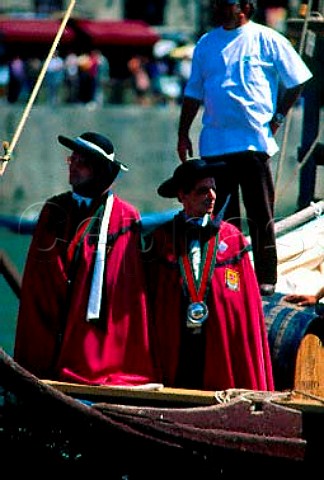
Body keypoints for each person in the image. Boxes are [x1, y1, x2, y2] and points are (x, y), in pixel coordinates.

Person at [177, 0, 313, 297]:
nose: (218, 6)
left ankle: (266, 281)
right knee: (219, 217)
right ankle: (222, 277)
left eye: (225, 2)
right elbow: (193, 92)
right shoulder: (206, 43)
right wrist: (182, 132)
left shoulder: (267, 38)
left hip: (253, 143)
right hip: (214, 145)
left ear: (243, 7)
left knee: (260, 215)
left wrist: (277, 117)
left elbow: (297, 79)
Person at [14, 132, 155, 386]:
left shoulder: (124, 217)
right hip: (48, 331)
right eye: (72, 160)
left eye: (82, 162)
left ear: (100, 170)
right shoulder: (53, 209)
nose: (73, 167)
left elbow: (121, 289)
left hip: (94, 347)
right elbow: (39, 276)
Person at [144, 158, 274, 391]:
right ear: (182, 196)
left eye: (214, 189)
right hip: (175, 340)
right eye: (202, 190)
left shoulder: (232, 239)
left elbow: (248, 306)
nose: (212, 196)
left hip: (219, 343)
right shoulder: (162, 239)